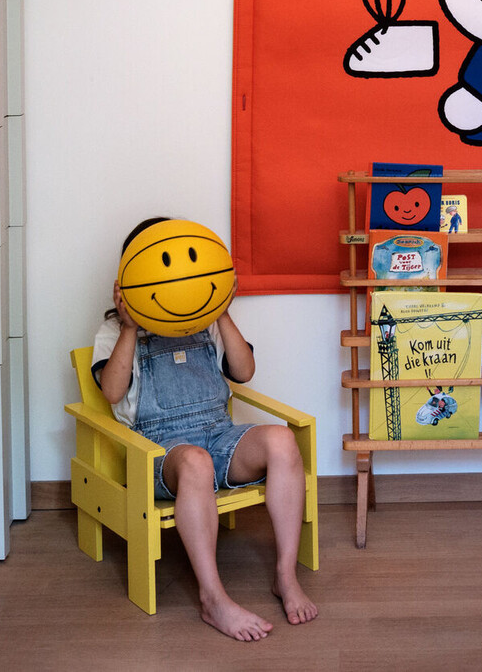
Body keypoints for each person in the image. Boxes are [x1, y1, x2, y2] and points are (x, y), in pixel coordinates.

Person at [92, 218, 318, 639]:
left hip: (218, 434)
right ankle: (212, 598)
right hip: (159, 450)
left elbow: (244, 372)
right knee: (195, 462)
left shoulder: (208, 323)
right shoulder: (114, 332)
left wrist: (222, 310)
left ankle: (285, 576)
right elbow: (111, 392)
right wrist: (129, 326)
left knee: (282, 439)